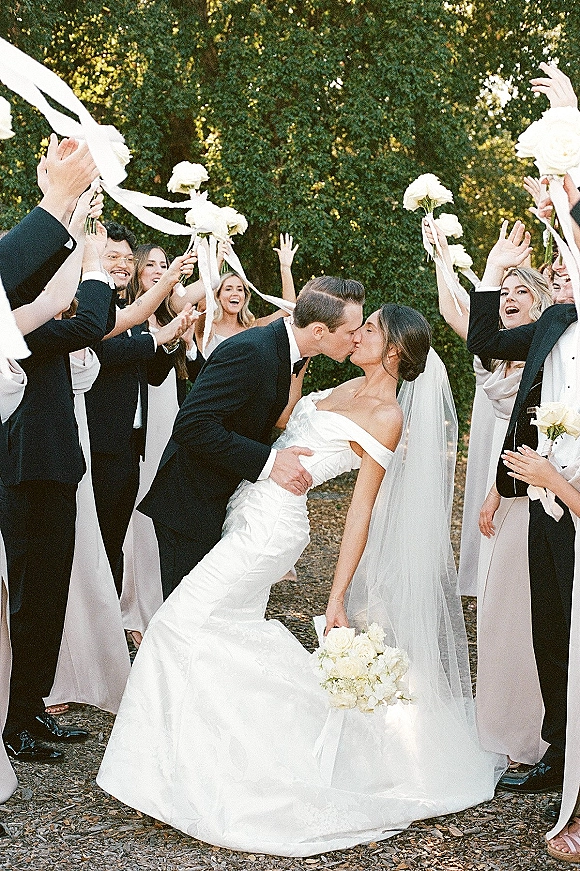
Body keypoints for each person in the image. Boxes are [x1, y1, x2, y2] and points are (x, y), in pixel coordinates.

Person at [98, 303, 503, 856]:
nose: (357, 335)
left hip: (272, 529)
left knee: (176, 623)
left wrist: (336, 597)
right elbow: (283, 424)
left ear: (395, 352)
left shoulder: (387, 418)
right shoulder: (335, 384)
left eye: (370, 330)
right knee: (226, 632)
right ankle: (235, 756)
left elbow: (360, 512)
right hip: (246, 507)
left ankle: (178, 775)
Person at [138, 275, 365, 600]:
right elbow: (192, 424)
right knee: (186, 626)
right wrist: (271, 462)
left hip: (219, 501)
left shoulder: (283, 352)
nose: (356, 339)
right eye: (351, 332)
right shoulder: (253, 351)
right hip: (191, 506)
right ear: (319, 331)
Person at [425, 219, 551, 764]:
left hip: (545, 496)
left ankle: (532, 731)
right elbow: (462, 319)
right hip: (510, 493)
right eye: (506, 293)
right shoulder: (496, 358)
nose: (510, 299)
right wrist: (442, 259)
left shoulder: (552, 356)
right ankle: (503, 725)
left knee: (525, 617)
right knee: (500, 617)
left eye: (523, 291)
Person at [467, 220, 577, 793]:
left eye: (565, 267)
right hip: (538, 499)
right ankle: (557, 756)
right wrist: (489, 272)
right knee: (549, 632)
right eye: (554, 270)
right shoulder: (552, 324)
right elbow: (483, 341)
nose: (559, 274)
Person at [0, 232, 115, 763]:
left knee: (52, 597)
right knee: (28, 602)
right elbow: (97, 320)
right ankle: (14, 719)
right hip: (26, 474)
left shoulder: (43, 326)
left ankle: (33, 703)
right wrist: (91, 255)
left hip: (56, 470)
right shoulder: (22, 330)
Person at [84, 223, 194, 595]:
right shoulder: (93, 308)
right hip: (98, 444)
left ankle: (110, 621)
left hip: (131, 446)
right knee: (94, 540)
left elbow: (153, 374)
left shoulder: (128, 311)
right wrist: (157, 337)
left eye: (128, 258)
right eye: (113, 256)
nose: (123, 264)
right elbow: (105, 354)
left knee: (114, 537)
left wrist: (173, 338)